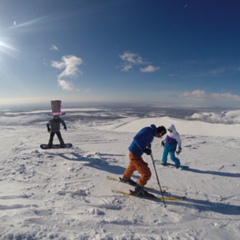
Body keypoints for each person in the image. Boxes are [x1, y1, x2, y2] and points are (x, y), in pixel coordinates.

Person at [122, 124, 166, 196]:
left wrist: (148, 146)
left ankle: (126, 178)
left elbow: (144, 139)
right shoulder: (148, 132)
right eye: (161, 135)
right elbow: (136, 138)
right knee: (146, 173)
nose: (160, 137)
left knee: (133, 166)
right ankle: (138, 190)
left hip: (135, 153)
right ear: (161, 132)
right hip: (135, 154)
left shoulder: (150, 132)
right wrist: (143, 148)